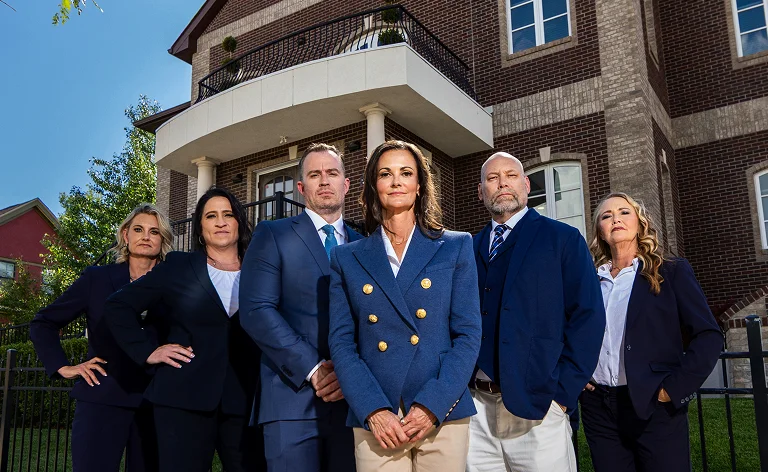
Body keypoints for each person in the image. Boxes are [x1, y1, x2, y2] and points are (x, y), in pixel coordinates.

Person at [328, 140, 482, 472]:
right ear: (373, 186)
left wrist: (432, 405)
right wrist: (373, 410)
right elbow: (342, 343)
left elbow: (468, 335)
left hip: (440, 410)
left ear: (419, 184)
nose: (397, 181)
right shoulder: (346, 257)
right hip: (378, 414)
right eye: (386, 174)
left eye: (406, 173)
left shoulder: (455, 246)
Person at [104, 188, 264, 472]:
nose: (220, 222)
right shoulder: (178, 266)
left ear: (239, 221)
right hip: (182, 400)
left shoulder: (262, 268)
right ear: (201, 228)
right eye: (211, 216)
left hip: (246, 399)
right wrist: (148, 351)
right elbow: (118, 306)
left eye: (228, 214)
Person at [466, 152, 605, 472]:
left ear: (526, 185)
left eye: (511, 176)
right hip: (476, 412)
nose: (502, 183)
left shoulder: (563, 239)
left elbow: (588, 316)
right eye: (492, 178)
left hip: (539, 408)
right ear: (480, 192)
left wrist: (562, 395)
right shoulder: (468, 247)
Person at [240, 143, 361, 472]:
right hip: (291, 403)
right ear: (301, 187)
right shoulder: (272, 234)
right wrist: (313, 368)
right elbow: (256, 310)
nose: (324, 180)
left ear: (346, 184)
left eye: (332, 173)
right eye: (315, 174)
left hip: (355, 403)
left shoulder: (365, 243)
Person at [580, 192, 723, 472]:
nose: (615, 219)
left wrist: (673, 390)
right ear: (600, 230)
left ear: (640, 223)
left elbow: (708, 335)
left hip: (653, 403)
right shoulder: (589, 281)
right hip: (599, 407)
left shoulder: (670, 272)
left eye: (624, 212)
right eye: (606, 216)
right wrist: (579, 372)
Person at [30, 203, 173, 472]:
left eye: (154, 232)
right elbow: (43, 323)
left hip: (157, 400)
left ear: (162, 240)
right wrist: (63, 367)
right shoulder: (97, 278)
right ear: (125, 235)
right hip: (101, 397)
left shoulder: (175, 283)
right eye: (138, 229)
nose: (146, 236)